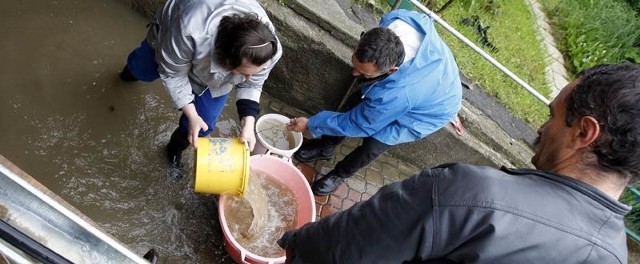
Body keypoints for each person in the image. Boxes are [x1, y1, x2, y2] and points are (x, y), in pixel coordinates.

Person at [278, 62, 640, 263]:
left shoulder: (468, 194)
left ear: (584, 133)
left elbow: (345, 246)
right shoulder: (615, 256)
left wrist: (293, 241)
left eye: (554, 116)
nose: (542, 127)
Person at [286, 9, 462, 196]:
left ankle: (339, 174)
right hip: (427, 80)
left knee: (374, 143)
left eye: (363, 74)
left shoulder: (397, 94)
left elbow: (359, 123)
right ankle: (325, 147)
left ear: (392, 70)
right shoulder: (397, 19)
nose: (354, 74)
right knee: (353, 103)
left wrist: (312, 125)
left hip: (431, 109)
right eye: (355, 64)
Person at [120, 0, 282, 178]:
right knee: (141, 69)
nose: (248, 78)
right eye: (243, 73)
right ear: (225, 61)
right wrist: (191, 111)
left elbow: (253, 83)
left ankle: (173, 151)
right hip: (171, 42)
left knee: (203, 124)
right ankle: (125, 77)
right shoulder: (189, 29)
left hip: (219, 74)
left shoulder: (267, 48)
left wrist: (248, 124)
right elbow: (173, 74)